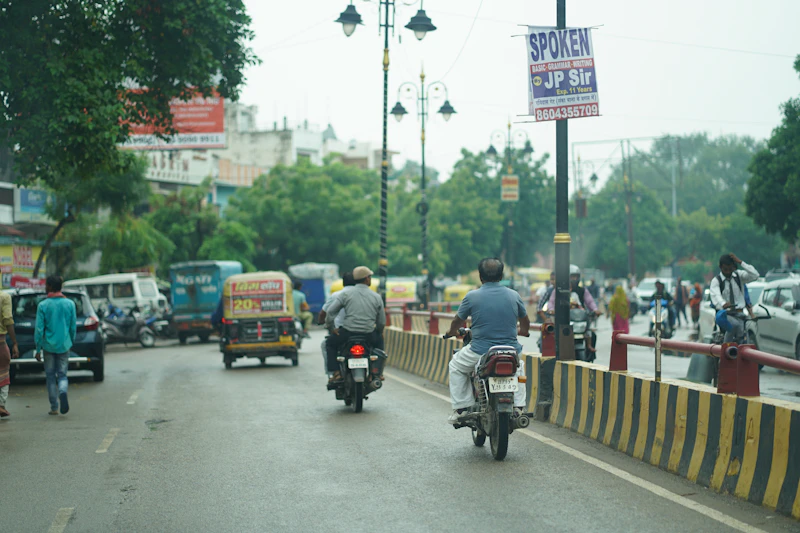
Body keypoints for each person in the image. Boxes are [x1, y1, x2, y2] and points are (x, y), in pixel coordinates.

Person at [444, 258, 530, 424]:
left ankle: (461, 408)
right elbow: (525, 321)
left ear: (480, 276)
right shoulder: (514, 295)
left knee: (455, 365)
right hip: (511, 350)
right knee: (519, 369)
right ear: (501, 275)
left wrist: (452, 332)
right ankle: (519, 407)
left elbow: (457, 321)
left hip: (480, 350)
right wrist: (523, 331)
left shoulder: (472, 296)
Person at [324, 266, 385, 384]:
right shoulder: (376, 297)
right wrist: (378, 331)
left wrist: (332, 329)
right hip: (368, 334)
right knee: (379, 344)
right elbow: (381, 321)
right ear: (367, 279)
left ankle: (336, 372)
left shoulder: (345, 294)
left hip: (347, 333)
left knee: (330, 343)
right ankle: (377, 373)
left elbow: (330, 313)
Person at [34, 275, 77, 416]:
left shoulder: (43, 305)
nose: (45, 287)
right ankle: (63, 392)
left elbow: (39, 329)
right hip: (64, 344)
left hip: (48, 346)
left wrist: (38, 348)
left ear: (51, 287)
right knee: (63, 375)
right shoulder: (70, 304)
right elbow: (72, 327)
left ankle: (54, 407)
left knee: (50, 376)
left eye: (46, 285)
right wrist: (71, 341)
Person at [710, 254, 759, 343]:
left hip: (740, 314)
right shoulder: (716, 281)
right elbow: (716, 295)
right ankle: (725, 350)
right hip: (725, 315)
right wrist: (723, 303)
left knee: (743, 333)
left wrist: (741, 262)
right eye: (725, 269)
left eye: (730, 269)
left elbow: (755, 275)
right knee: (734, 325)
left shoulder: (739, 276)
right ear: (720, 267)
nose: (728, 272)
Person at [318, 271, 355, 374]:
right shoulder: (366, 295)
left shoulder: (338, 295)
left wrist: (328, 325)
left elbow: (326, 313)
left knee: (327, 344)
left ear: (343, 283)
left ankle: (335, 373)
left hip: (342, 331)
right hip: (365, 332)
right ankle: (376, 373)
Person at [0, 289, 20, 418]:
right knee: (4, 371)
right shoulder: (4, 297)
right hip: (0, 342)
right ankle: (1, 405)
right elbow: (8, 319)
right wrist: (14, 343)